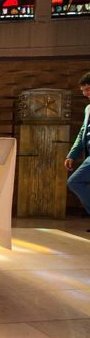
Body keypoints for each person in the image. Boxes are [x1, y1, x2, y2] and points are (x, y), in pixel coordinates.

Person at [64, 71, 90, 230]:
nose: (86, 93)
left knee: (75, 181)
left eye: (88, 89)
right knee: (74, 182)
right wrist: (72, 154)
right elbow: (83, 131)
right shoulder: (88, 108)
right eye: (83, 91)